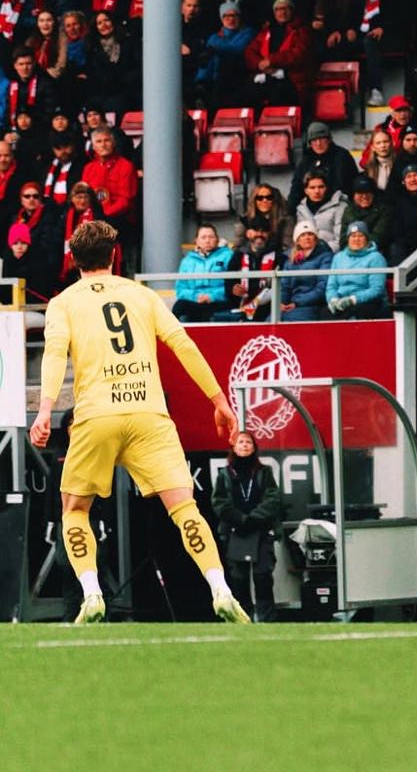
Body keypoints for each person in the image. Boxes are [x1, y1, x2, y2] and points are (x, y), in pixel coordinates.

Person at [28, 220, 248, 624]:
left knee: (74, 510)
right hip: (149, 413)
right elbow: (183, 343)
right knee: (185, 507)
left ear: (73, 260)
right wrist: (220, 401)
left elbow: (55, 352)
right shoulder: (141, 295)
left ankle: (91, 594)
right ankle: (220, 588)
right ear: (114, 256)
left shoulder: (64, 302)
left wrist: (45, 410)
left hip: (96, 416)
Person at [211, 430, 283, 621]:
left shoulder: (264, 472)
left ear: (254, 447)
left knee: (263, 577)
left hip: (261, 530)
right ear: (233, 447)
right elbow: (219, 502)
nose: (245, 445)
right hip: (236, 532)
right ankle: (244, 618)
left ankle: (268, 620)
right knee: (239, 579)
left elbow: (273, 499)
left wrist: (253, 518)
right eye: (241, 442)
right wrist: (240, 519)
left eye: (248, 442)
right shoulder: (225, 474)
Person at [172, 223, 232, 322]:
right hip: (194, 301)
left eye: (211, 237)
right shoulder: (187, 260)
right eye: (203, 237)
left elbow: (232, 285)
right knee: (179, 306)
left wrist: (212, 297)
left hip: (218, 301)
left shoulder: (228, 256)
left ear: (217, 239)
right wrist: (196, 297)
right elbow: (181, 289)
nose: (207, 240)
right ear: (196, 241)